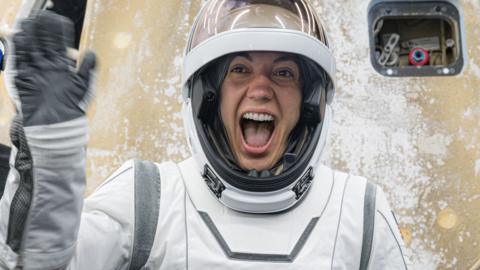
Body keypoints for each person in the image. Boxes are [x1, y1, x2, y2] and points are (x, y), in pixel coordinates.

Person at [0, 1, 409, 269]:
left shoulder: (359, 212)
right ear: (209, 98)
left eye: (284, 73)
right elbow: (37, 262)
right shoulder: (149, 198)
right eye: (240, 70)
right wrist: (51, 149)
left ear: (309, 102)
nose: (261, 89)